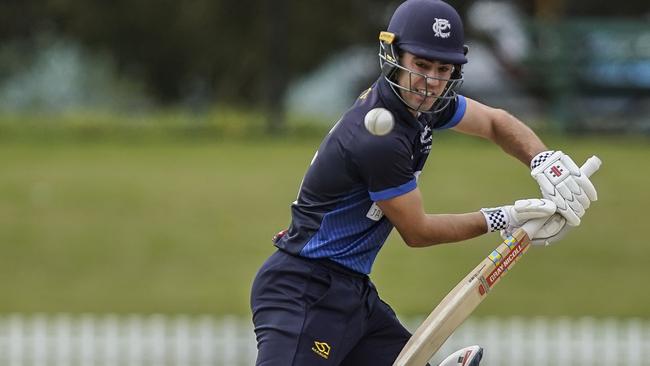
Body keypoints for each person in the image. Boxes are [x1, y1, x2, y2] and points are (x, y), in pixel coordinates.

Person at [250, 0, 598, 365]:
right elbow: (418, 231)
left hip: (352, 295)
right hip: (305, 291)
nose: (431, 81)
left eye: (442, 68)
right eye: (421, 65)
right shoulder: (380, 138)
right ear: (393, 55)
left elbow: (495, 123)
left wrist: (543, 159)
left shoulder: (423, 103)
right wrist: (505, 218)